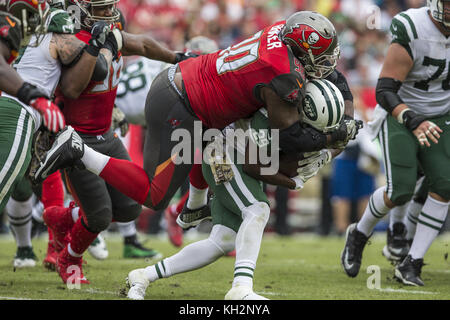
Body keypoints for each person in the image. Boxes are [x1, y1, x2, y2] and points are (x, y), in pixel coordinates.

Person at [34, 11, 361, 227]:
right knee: (155, 196)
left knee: (225, 148)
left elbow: (332, 75)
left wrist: (346, 112)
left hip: (193, 95)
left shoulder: (282, 34)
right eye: (322, 53)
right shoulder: (283, 73)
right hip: (182, 105)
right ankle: (79, 150)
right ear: (301, 48)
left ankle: (195, 205)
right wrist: (332, 137)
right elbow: (288, 136)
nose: (327, 61)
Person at [125, 78, 347, 300]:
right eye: (313, 129)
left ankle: (144, 275)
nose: (315, 135)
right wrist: (292, 182)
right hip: (221, 153)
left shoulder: (292, 111)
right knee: (258, 209)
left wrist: (328, 151)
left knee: (222, 240)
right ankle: (241, 288)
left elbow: (293, 151)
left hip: (236, 155)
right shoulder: (274, 113)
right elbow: (255, 166)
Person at [41, 0, 198, 285]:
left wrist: (176, 57)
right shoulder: (69, 41)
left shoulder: (108, 30)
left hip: (107, 135)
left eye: (108, 6)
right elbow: (73, 88)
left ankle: (64, 218)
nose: (108, 12)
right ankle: (69, 258)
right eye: (100, 8)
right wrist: (96, 46)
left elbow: (142, 44)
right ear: (79, 10)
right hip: (76, 139)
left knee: (131, 207)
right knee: (99, 216)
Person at [341, 0, 450, 286]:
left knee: (444, 185)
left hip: (442, 115)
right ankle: (360, 233)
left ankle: (412, 262)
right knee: (399, 190)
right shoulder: (413, 26)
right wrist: (413, 119)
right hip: (400, 111)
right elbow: (385, 90)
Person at [0, 0, 109, 267]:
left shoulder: (15, 26)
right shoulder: (56, 23)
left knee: (20, 186)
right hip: (18, 109)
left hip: (17, 102)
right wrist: (97, 45)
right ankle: (51, 245)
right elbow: (98, 69)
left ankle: (35, 247)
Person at [114, 35, 219, 249]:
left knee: (208, 160)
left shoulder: (159, 60)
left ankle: (138, 233)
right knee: (150, 186)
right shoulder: (191, 72)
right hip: (139, 114)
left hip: (122, 108)